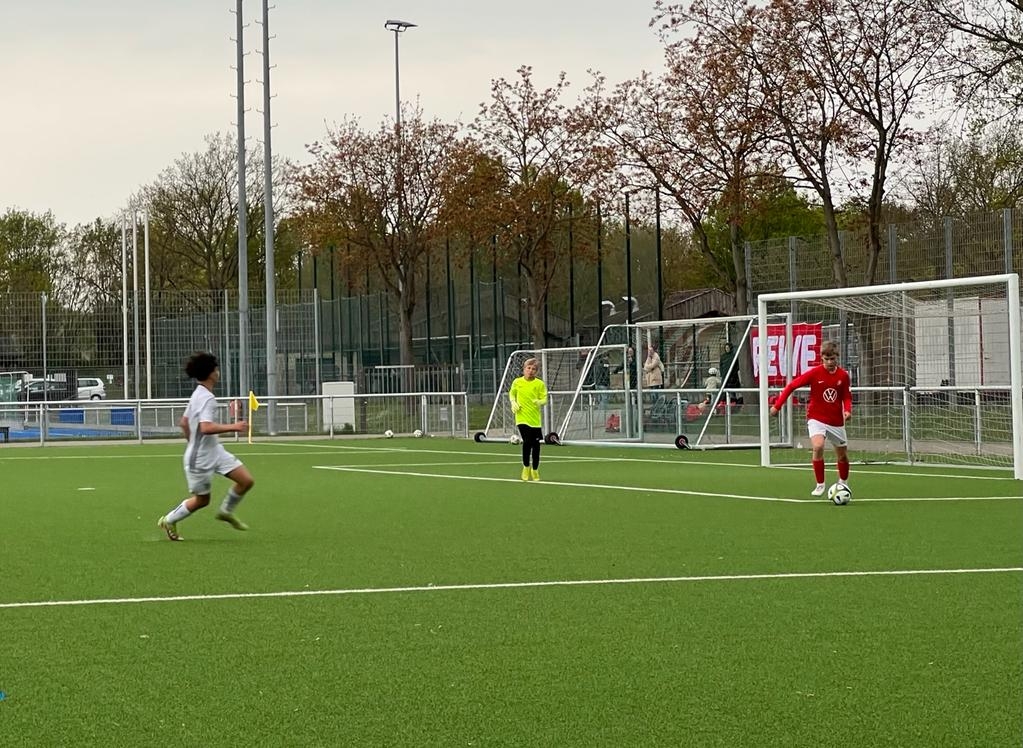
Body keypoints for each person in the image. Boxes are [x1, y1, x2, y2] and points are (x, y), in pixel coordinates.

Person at [157, 352, 255, 541]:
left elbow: (184, 423)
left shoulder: (199, 394)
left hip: (215, 451)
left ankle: (225, 512)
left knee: (246, 481)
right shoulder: (206, 398)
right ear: (211, 373)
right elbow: (206, 427)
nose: (218, 372)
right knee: (202, 500)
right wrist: (234, 426)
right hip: (200, 459)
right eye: (216, 369)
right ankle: (169, 520)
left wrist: (193, 443)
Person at [769, 340, 853, 497]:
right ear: (821, 358)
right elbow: (792, 386)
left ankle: (843, 483)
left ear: (837, 357)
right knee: (818, 446)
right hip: (816, 417)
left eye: (832, 359)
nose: (829, 362)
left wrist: (847, 410)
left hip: (836, 421)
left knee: (842, 455)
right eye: (826, 359)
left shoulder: (843, 376)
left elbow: (846, 396)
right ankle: (820, 484)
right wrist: (777, 405)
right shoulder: (815, 373)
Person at [509, 357, 548, 481]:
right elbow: (512, 393)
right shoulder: (517, 382)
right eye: (528, 368)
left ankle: (535, 469)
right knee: (527, 441)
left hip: (535, 420)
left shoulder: (539, 384)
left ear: (536, 371)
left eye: (533, 369)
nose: (530, 371)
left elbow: (545, 399)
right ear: (524, 369)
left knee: (536, 445)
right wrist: (513, 402)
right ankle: (526, 466)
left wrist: (539, 402)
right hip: (521, 418)